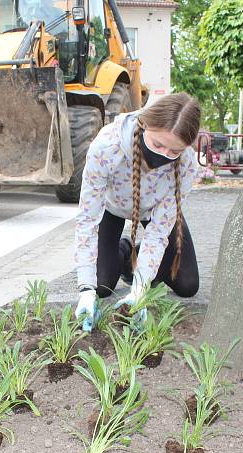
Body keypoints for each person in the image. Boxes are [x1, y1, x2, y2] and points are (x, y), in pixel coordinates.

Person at [74, 93, 201, 330]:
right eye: (157, 144)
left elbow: (158, 231)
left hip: (154, 213)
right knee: (101, 285)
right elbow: (87, 220)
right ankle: (124, 249)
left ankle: (137, 255)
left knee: (187, 284)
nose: (163, 155)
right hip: (111, 209)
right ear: (145, 125)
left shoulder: (186, 165)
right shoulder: (106, 146)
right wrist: (85, 289)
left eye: (174, 151)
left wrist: (140, 289)